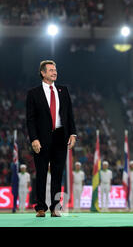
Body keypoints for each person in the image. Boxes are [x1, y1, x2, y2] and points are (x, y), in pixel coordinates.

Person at [26, 60, 77, 217]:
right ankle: (40, 207)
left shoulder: (63, 90)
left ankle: (56, 207)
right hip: (41, 138)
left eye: (55, 70)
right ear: (43, 73)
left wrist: (73, 134)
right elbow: (30, 119)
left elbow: (69, 114)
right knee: (41, 173)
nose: (55, 72)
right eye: (51, 70)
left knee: (57, 173)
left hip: (61, 136)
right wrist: (34, 138)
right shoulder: (33, 93)